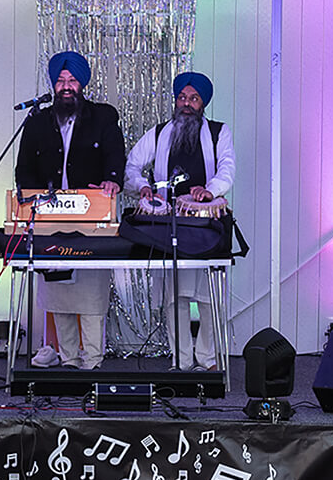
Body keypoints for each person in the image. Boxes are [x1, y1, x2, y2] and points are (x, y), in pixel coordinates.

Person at [15, 50, 124, 370]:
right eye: (60, 81)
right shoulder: (37, 121)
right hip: (50, 219)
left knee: (89, 292)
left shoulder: (103, 116)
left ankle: (91, 359)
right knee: (58, 291)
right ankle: (67, 356)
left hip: (91, 218)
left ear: (82, 85)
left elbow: (115, 156)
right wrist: (29, 196)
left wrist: (112, 181)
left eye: (72, 80)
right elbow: (25, 169)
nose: (65, 86)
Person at [125, 71, 235, 370]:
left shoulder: (218, 132)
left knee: (210, 297)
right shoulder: (160, 132)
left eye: (194, 98)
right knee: (177, 297)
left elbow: (227, 169)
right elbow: (132, 165)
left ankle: (209, 359)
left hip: (207, 224)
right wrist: (142, 187)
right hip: (169, 225)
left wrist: (209, 190)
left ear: (203, 104)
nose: (187, 104)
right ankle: (182, 360)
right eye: (182, 98)